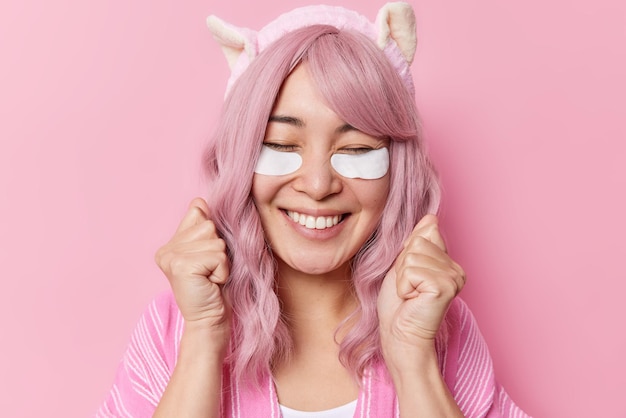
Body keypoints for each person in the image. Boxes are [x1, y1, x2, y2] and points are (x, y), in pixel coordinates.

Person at [97, 3, 530, 417]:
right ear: (240, 160)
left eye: (357, 149)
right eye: (282, 146)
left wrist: (414, 357)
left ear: (398, 171)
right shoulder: (175, 327)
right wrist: (203, 340)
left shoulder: (437, 324)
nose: (318, 185)